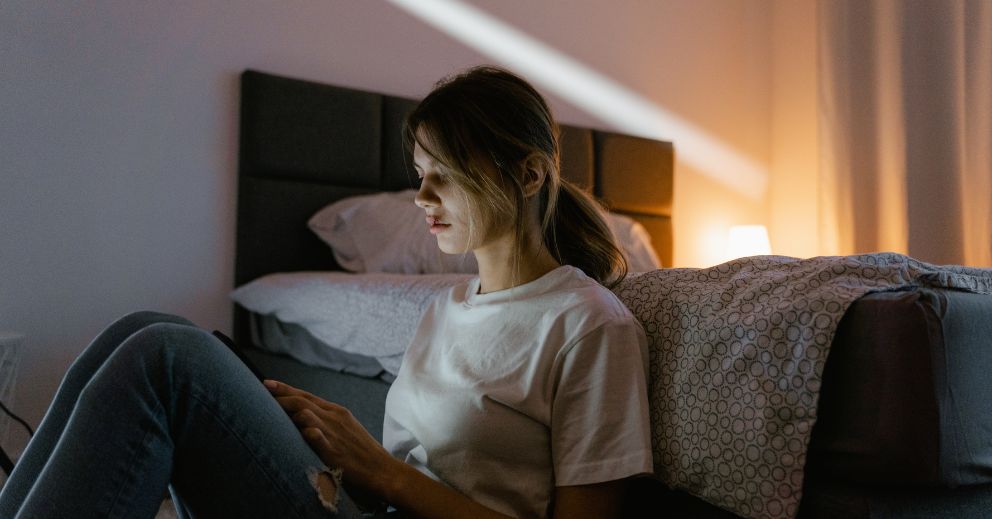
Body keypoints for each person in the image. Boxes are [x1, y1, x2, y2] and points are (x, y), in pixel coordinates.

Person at [0, 66, 651, 519]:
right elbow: (408, 470)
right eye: (420, 176)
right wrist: (333, 451)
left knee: (167, 356)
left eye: (443, 178)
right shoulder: (447, 308)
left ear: (531, 174)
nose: (421, 199)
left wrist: (382, 469)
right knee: (137, 330)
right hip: (366, 503)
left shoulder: (588, 324)